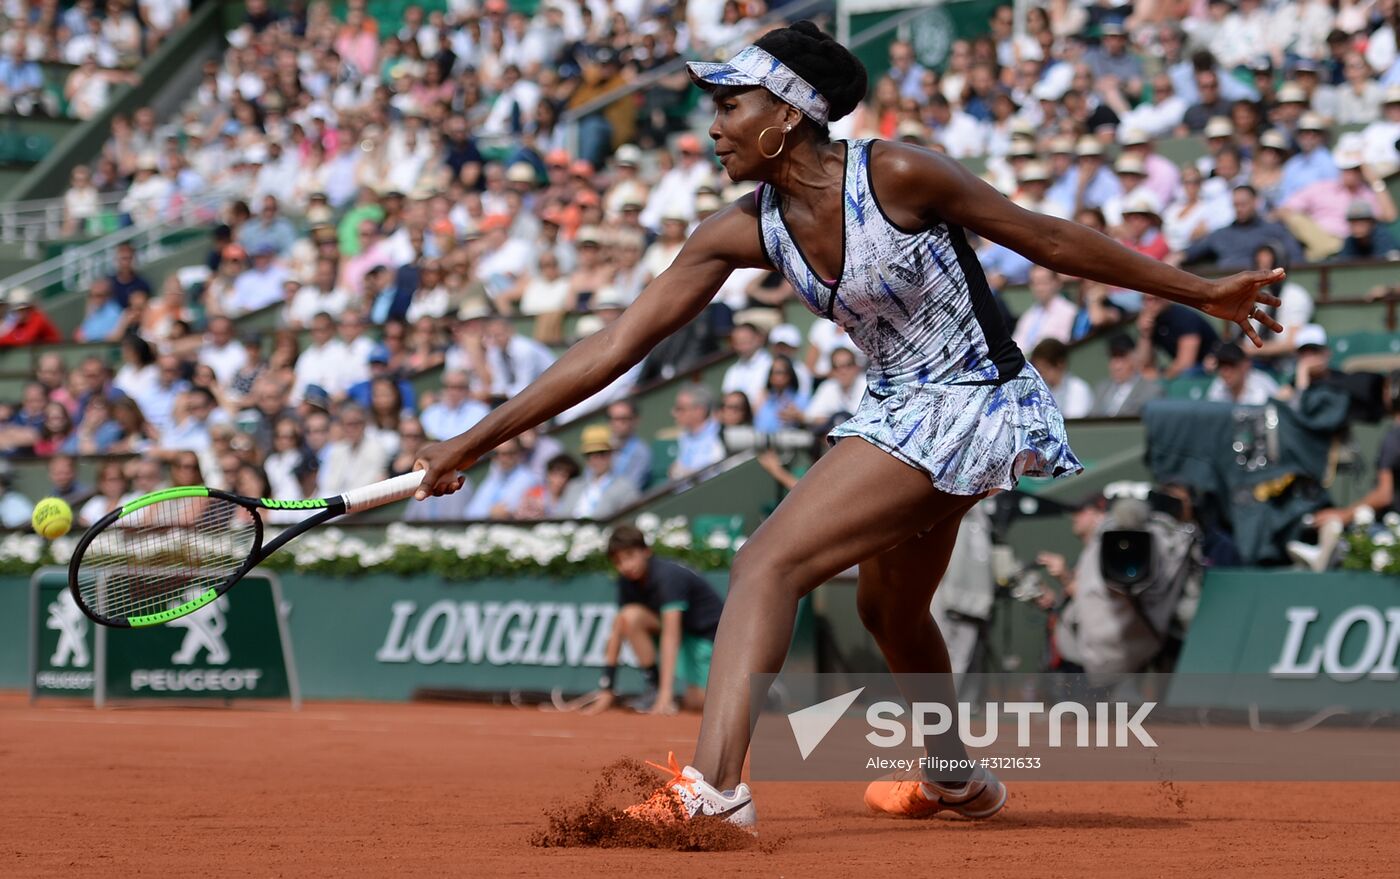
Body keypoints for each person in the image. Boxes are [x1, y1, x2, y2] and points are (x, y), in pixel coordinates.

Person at [408, 22, 1284, 831]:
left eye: (729, 106)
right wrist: (475, 441)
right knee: (891, 609)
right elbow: (615, 343)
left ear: (785, 116)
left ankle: (714, 790)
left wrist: (1203, 292)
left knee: (766, 561)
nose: (711, 127)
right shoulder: (740, 232)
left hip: (971, 397)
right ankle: (957, 779)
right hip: (896, 403)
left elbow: (1043, 237)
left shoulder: (898, 173)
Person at [574, 525, 725, 716]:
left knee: (699, 702)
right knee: (629, 616)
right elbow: (619, 628)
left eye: (629, 556)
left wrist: (666, 695)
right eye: (618, 561)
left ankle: (665, 693)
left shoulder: (667, 577)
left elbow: (672, 635)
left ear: (646, 552)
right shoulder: (626, 580)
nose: (625, 566)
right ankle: (654, 687)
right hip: (684, 637)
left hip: (711, 639)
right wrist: (607, 688)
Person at [557, 426, 640, 520]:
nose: (596, 459)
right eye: (589, 455)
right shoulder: (574, 486)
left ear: (611, 454)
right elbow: (561, 517)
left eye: (601, 453)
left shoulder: (626, 488)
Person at [1090, 334, 1162, 418]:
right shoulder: (1101, 389)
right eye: (1113, 358)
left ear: (1135, 358)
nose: (1117, 366)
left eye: (1122, 358)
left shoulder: (1151, 391)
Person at [1205, 342, 1280, 405]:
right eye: (1221, 365)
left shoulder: (1260, 387)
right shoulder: (1218, 385)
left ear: (1245, 365)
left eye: (1231, 364)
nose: (1225, 371)